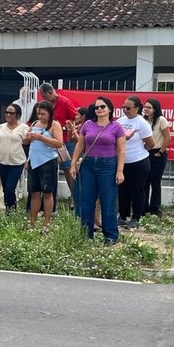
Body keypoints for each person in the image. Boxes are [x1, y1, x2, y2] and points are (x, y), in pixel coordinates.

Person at [69, 97, 126, 245]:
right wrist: (73, 164)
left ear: (110, 109)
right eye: (96, 107)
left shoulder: (116, 127)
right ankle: (86, 234)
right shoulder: (88, 124)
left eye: (102, 106)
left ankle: (111, 235)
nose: (99, 109)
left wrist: (120, 171)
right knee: (86, 201)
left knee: (108, 201)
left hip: (108, 165)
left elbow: (121, 150)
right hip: (88, 165)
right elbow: (80, 145)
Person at [117, 96, 155, 230]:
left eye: (128, 108)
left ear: (137, 108)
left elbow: (150, 144)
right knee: (122, 190)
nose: (125, 110)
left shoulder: (141, 123)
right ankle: (122, 215)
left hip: (138, 162)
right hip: (123, 161)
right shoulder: (120, 121)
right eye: (123, 107)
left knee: (137, 190)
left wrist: (140, 150)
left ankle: (136, 217)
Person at [40, 83, 79, 208]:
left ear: (50, 93)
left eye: (45, 96)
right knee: (49, 168)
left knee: (68, 169)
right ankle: (51, 198)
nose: (44, 99)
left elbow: (76, 117)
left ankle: (75, 197)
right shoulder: (47, 105)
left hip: (65, 140)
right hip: (49, 140)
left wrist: (68, 125)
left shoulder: (64, 101)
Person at [25, 100, 64, 229]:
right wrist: (28, 137)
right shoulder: (35, 123)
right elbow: (25, 142)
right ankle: (32, 221)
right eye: (38, 114)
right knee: (34, 193)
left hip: (47, 162)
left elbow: (59, 143)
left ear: (49, 113)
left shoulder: (54, 125)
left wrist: (41, 137)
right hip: (33, 161)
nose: (40, 116)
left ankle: (47, 223)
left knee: (47, 193)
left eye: (43, 114)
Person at [0, 104, 29, 211]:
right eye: (6, 112)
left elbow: (27, 145)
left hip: (17, 163)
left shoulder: (24, 128)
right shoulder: (1, 127)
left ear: (17, 115)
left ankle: (12, 211)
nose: (8, 115)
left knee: (10, 188)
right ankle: (9, 210)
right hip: (3, 162)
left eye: (11, 113)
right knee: (5, 189)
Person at [143, 98, 172, 216]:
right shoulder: (142, 120)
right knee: (144, 182)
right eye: (145, 107)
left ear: (155, 109)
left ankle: (155, 208)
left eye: (149, 107)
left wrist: (160, 152)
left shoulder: (161, 120)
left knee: (155, 182)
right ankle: (142, 207)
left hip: (158, 153)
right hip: (145, 153)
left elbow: (168, 138)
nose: (146, 109)